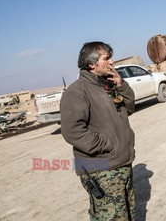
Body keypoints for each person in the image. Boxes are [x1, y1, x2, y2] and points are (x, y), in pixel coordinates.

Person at [61, 41, 136, 220]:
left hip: (121, 163)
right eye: (106, 58)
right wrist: (108, 145)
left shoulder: (107, 86)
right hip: (102, 168)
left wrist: (121, 85)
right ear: (91, 64)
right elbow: (73, 131)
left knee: (128, 215)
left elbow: (129, 108)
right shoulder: (77, 91)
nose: (112, 62)